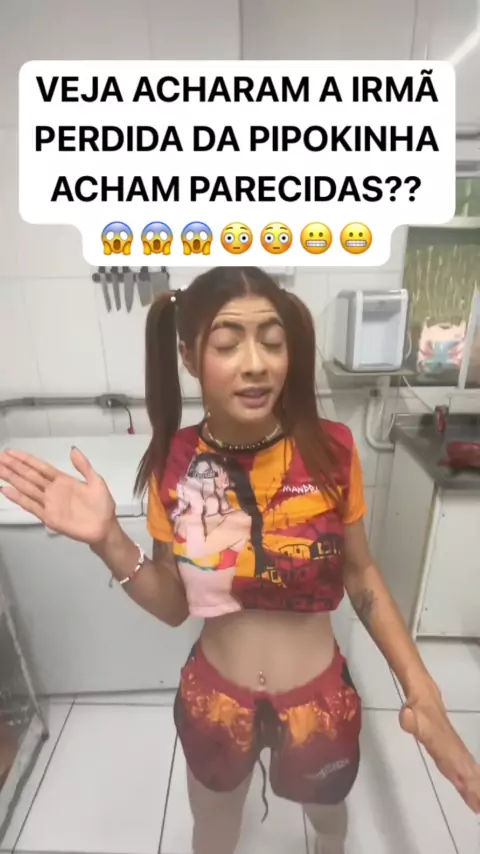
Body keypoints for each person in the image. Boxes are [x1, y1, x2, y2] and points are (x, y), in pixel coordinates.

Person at [0, 266, 479, 854]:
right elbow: (175, 606)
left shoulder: (331, 450)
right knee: (214, 829)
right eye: (228, 344)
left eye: (272, 343)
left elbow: (360, 574)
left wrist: (421, 688)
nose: (257, 364)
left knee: (328, 821)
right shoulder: (174, 463)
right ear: (188, 355)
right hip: (215, 700)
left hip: (319, 702)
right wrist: (108, 540)